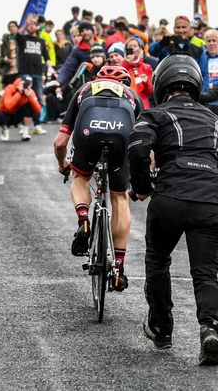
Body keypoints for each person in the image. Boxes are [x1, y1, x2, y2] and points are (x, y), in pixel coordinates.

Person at [129, 54, 218, 365]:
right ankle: (210, 327)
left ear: (160, 84)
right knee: (205, 273)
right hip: (208, 203)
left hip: (170, 199)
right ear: (195, 84)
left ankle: (162, 328)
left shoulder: (154, 115)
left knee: (159, 260)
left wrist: (143, 186)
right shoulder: (214, 119)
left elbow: (137, 150)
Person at [54, 65, 144, 291]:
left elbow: (59, 142)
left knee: (80, 177)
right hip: (122, 135)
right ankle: (119, 269)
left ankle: (84, 220)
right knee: (120, 198)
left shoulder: (85, 89)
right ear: (126, 82)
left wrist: (62, 163)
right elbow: (145, 143)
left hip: (88, 132)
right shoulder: (133, 96)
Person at [17, 16, 54, 134]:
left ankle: (37, 125)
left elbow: (46, 57)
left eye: (32, 24)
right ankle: (24, 125)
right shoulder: (23, 39)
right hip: (26, 72)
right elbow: (17, 35)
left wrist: (50, 67)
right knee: (25, 98)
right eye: (29, 25)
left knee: (37, 98)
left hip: (38, 73)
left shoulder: (41, 41)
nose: (31, 27)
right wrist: (24, 25)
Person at [0, 75, 42, 141]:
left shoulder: (30, 91)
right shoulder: (10, 88)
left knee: (29, 107)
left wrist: (30, 98)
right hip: (6, 114)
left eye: (28, 84)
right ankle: (4, 130)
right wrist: (19, 93)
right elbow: (8, 106)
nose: (26, 86)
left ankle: (25, 132)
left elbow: (38, 110)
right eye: (24, 84)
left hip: (18, 116)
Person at [57, 21, 99, 89]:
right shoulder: (77, 51)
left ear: (92, 31)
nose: (76, 39)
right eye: (74, 36)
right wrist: (59, 81)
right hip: (84, 85)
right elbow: (68, 66)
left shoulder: (103, 44)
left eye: (78, 36)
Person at [123, 37, 154, 109]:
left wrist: (146, 83)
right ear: (125, 50)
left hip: (142, 104)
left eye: (135, 46)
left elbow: (150, 91)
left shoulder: (147, 67)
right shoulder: (121, 66)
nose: (132, 48)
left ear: (140, 49)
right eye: (130, 47)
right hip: (126, 103)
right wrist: (125, 64)